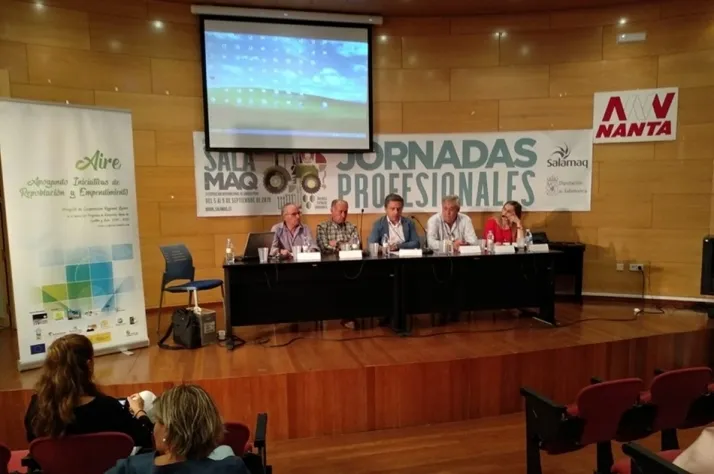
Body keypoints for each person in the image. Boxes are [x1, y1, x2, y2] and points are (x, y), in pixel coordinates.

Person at [23, 334, 153, 448]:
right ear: (89, 365)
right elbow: (148, 439)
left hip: (57, 466)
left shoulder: (37, 406)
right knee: (147, 397)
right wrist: (139, 411)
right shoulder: (108, 408)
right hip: (107, 465)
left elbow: (34, 444)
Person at [106, 384, 250, 474]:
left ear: (167, 431)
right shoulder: (232, 468)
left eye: (157, 421)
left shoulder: (130, 468)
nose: (154, 427)